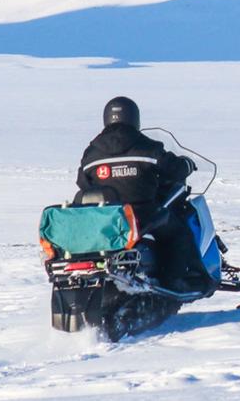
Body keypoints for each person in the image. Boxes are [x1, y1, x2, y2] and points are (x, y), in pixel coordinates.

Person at [75, 96, 206, 293]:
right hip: (143, 214)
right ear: (134, 118)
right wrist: (186, 165)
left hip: (106, 220)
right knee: (178, 233)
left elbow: (83, 183)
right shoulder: (146, 147)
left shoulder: (91, 153)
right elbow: (173, 168)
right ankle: (174, 281)